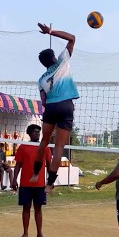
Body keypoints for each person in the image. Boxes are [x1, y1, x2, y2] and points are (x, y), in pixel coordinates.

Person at [28, 23, 79, 195]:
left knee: (44, 141)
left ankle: (35, 174)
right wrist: (50, 32)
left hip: (50, 107)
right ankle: (49, 185)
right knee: (58, 147)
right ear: (54, 58)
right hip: (65, 105)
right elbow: (72, 37)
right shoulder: (63, 61)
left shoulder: (41, 79)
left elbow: (43, 102)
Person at [12, 124, 52, 237]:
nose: (37, 134)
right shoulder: (23, 147)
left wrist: (51, 181)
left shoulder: (45, 147)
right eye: (35, 132)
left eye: (39, 132)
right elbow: (18, 165)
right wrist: (14, 180)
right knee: (26, 208)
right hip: (25, 183)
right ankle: (25, 233)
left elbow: (49, 166)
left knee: (38, 208)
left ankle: (39, 234)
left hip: (39, 184)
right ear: (29, 133)